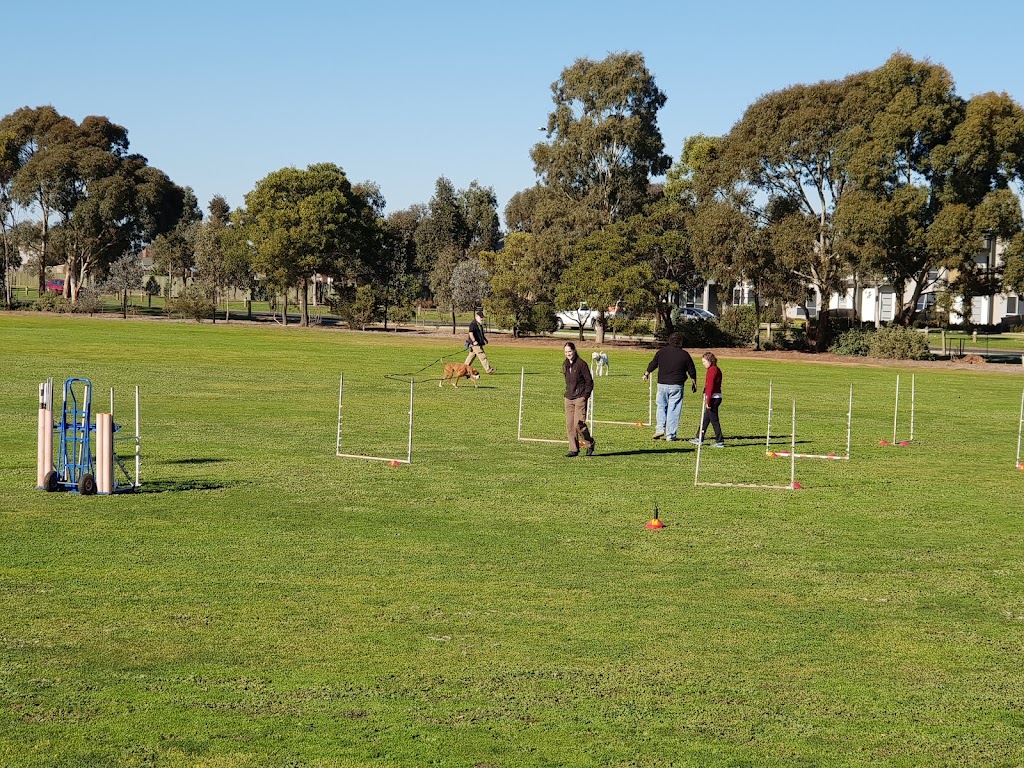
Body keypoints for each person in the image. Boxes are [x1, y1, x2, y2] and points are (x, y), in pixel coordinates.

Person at [642, 332, 697, 442]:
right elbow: (691, 370)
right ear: (680, 342)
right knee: (674, 410)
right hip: (676, 385)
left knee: (661, 407)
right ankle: (670, 435)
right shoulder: (684, 354)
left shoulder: (661, 352)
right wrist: (694, 383)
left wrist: (646, 373)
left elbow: (653, 364)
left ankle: (660, 429)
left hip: (662, 384)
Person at [562, 341, 595, 457]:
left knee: (579, 424)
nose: (568, 354)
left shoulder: (581, 364)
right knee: (570, 425)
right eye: (566, 352)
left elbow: (589, 382)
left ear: (574, 351)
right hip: (569, 398)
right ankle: (573, 449)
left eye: (570, 351)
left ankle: (590, 442)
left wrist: (585, 396)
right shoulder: (565, 364)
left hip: (580, 398)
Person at [692, 352, 725, 447]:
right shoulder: (715, 369)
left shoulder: (712, 370)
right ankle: (699, 438)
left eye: (704, 361)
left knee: (714, 420)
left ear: (710, 361)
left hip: (713, 398)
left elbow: (710, 386)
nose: (703, 364)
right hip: (714, 397)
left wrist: (708, 401)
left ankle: (720, 441)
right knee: (705, 419)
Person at [464, 309, 495, 374]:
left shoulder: (479, 324)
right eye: (480, 317)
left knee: (471, 356)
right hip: (475, 344)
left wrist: (485, 339)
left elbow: (480, 333)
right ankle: (488, 370)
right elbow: (470, 333)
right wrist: (474, 341)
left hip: (478, 343)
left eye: (482, 317)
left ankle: (464, 368)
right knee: (482, 356)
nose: (482, 318)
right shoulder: (473, 324)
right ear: (476, 316)